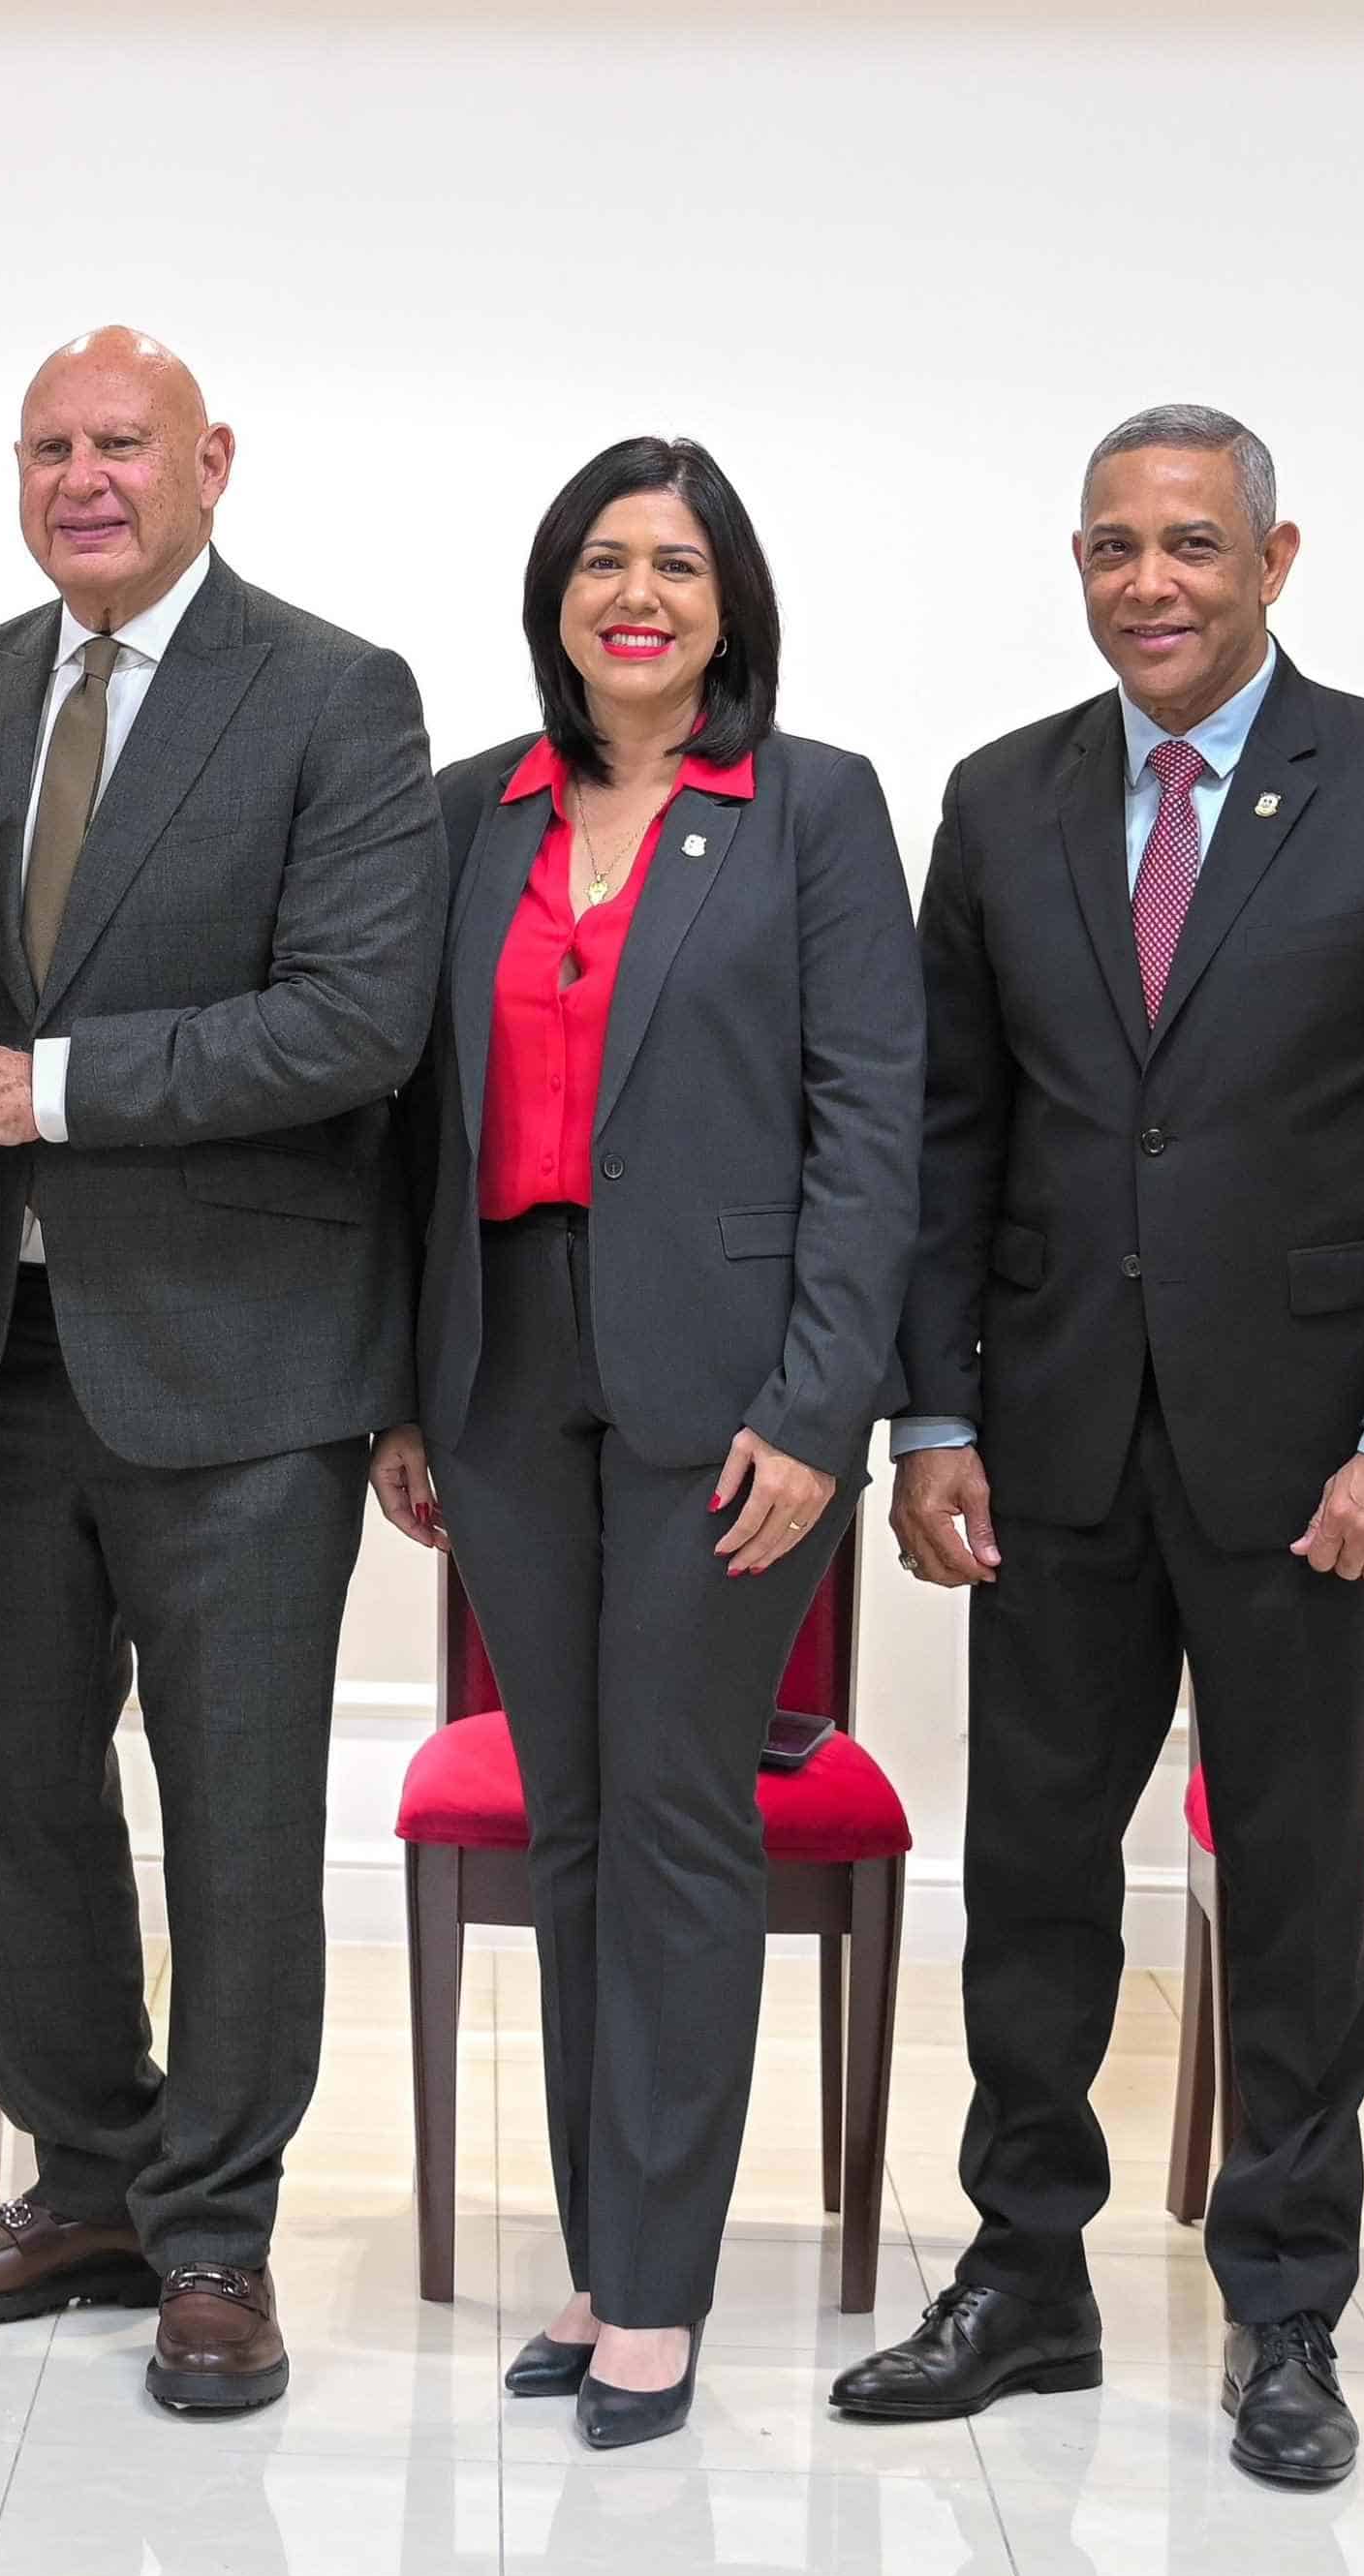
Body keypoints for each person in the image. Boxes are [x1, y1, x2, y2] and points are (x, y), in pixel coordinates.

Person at [833, 407, 1364, 2488]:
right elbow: (946, 1129)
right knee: (1033, 1882)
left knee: (1292, 1898)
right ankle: (1020, 2279)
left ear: (1272, 558)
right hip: (1045, 1446)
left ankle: (1283, 2313)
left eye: (1188, 546)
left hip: (1313, 1464)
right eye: (1108, 549)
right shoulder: (998, 799)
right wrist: (934, 1410)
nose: (1145, 584)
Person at [0, 327, 448, 2414]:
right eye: (45, 447)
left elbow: (352, 1022)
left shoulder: (331, 693)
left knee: (230, 1817)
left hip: (241, 1368)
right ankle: (87, 2181)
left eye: (118, 445)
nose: (79, 478)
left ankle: (214, 2234)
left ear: (211, 460)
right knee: (11, 1797)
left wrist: (55, 1090)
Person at [368, 437, 921, 2449]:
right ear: (551, 597)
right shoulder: (467, 817)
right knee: (573, 1815)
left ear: (726, 603)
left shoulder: (810, 813)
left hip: (726, 1397)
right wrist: (402, 1392)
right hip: (501, 1367)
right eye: (602, 562)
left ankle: (662, 2297)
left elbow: (873, 1129)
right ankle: (605, 2260)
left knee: (683, 1818)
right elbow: (406, 1126)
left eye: (676, 566)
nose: (637, 596)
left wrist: (815, 1409)